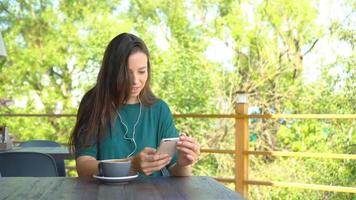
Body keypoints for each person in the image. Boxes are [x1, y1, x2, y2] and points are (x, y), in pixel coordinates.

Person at [69, 33, 200, 177]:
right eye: (127, 73)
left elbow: (176, 171)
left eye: (142, 71)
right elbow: (83, 166)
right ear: (112, 72)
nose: (135, 81)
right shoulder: (93, 104)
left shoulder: (159, 109)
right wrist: (130, 165)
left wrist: (184, 163)